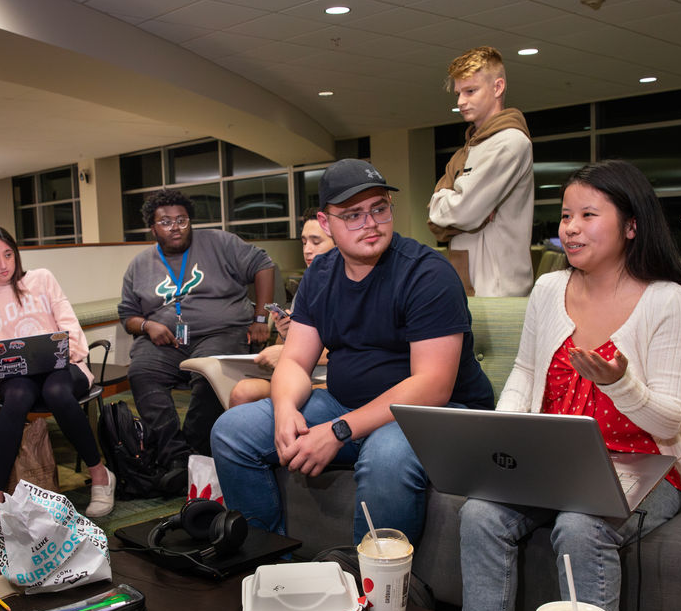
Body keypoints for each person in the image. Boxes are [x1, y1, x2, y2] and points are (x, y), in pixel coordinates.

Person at [458, 159, 681, 611]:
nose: (571, 228)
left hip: (646, 464)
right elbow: (525, 373)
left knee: (580, 524)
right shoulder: (549, 289)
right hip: (555, 461)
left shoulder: (668, 301)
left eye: (588, 215)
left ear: (631, 225)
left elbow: (671, 422)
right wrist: (504, 435)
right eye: (565, 215)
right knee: (479, 512)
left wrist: (619, 384)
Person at [212, 159, 494, 543]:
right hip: (345, 404)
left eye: (379, 208)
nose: (371, 223)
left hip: (432, 414)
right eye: (353, 215)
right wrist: (285, 409)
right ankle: (267, 557)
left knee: (387, 457)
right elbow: (295, 359)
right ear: (325, 223)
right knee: (232, 432)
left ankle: (373, 578)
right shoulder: (320, 274)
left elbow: (433, 385)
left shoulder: (427, 273)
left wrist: (340, 430)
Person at [0, 226, 116, 531]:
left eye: (8, 255)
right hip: (17, 378)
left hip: (62, 369)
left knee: (56, 391)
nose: (3, 264)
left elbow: (69, 324)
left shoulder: (41, 280)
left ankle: (100, 474)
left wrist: (67, 351)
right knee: (18, 395)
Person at [118, 189, 274, 479]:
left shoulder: (219, 242)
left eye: (182, 220)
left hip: (220, 331)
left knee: (208, 375)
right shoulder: (139, 265)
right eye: (166, 222)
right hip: (166, 340)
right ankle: (175, 457)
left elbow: (263, 265)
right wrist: (148, 326)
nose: (175, 227)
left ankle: (196, 450)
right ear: (153, 228)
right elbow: (128, 316)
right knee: (141, 372)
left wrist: (261, 317)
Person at [427, 45, 535, 297]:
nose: (460, 102)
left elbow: (464, 212)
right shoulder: (472, 146)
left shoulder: (509, 142)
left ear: (497, 88)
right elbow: (435, 213)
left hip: (498, 291)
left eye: (470, 91)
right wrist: (452, 202)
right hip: (471, 284)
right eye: (458, 93)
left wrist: (450, 200)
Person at [228, 210, 334, 407]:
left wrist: (287, 352)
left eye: (316, 242)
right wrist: (286, 334)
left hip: (332, 380)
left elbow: (354, 347)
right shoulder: (307, 286)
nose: (307, 250)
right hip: (298, 375)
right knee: (243, 391)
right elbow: (282, 343)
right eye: (304, 242)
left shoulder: (350, 285)